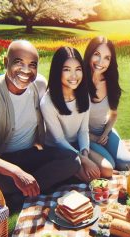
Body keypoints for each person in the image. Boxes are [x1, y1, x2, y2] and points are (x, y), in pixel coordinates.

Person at [0, 40, 80, 206]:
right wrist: (15, 172)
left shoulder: (39, 84)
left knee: (73, 160)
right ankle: (30, 187)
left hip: (29, 155)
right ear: (6, 62)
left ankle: (20, 193)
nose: (26, 70)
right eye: (19, 62)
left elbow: (61, 103)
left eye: (32, 64)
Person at [40, 47, 111, 182]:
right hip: (58, 149)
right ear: (57, 71)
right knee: (91, 178)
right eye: (67, 69)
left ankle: (75, 170)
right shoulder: (47, 102)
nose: (74, 76)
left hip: (77, 145)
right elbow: (59, 140)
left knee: (107, 170)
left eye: (78, 69)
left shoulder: (83, 94)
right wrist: (84, 160)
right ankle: (69, 172)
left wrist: (84, 152)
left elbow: (84, 130)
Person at [83, 36, 130, 172]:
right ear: (89, 54)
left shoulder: (110, 82)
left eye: (107, 58)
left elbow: (113, 114)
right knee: (109, 165)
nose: (101, 62)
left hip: (104, 131)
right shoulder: (78, 81)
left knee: (127, 164)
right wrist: (93, 137)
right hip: (84, 135)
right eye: (97, 55)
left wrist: (106, 132)